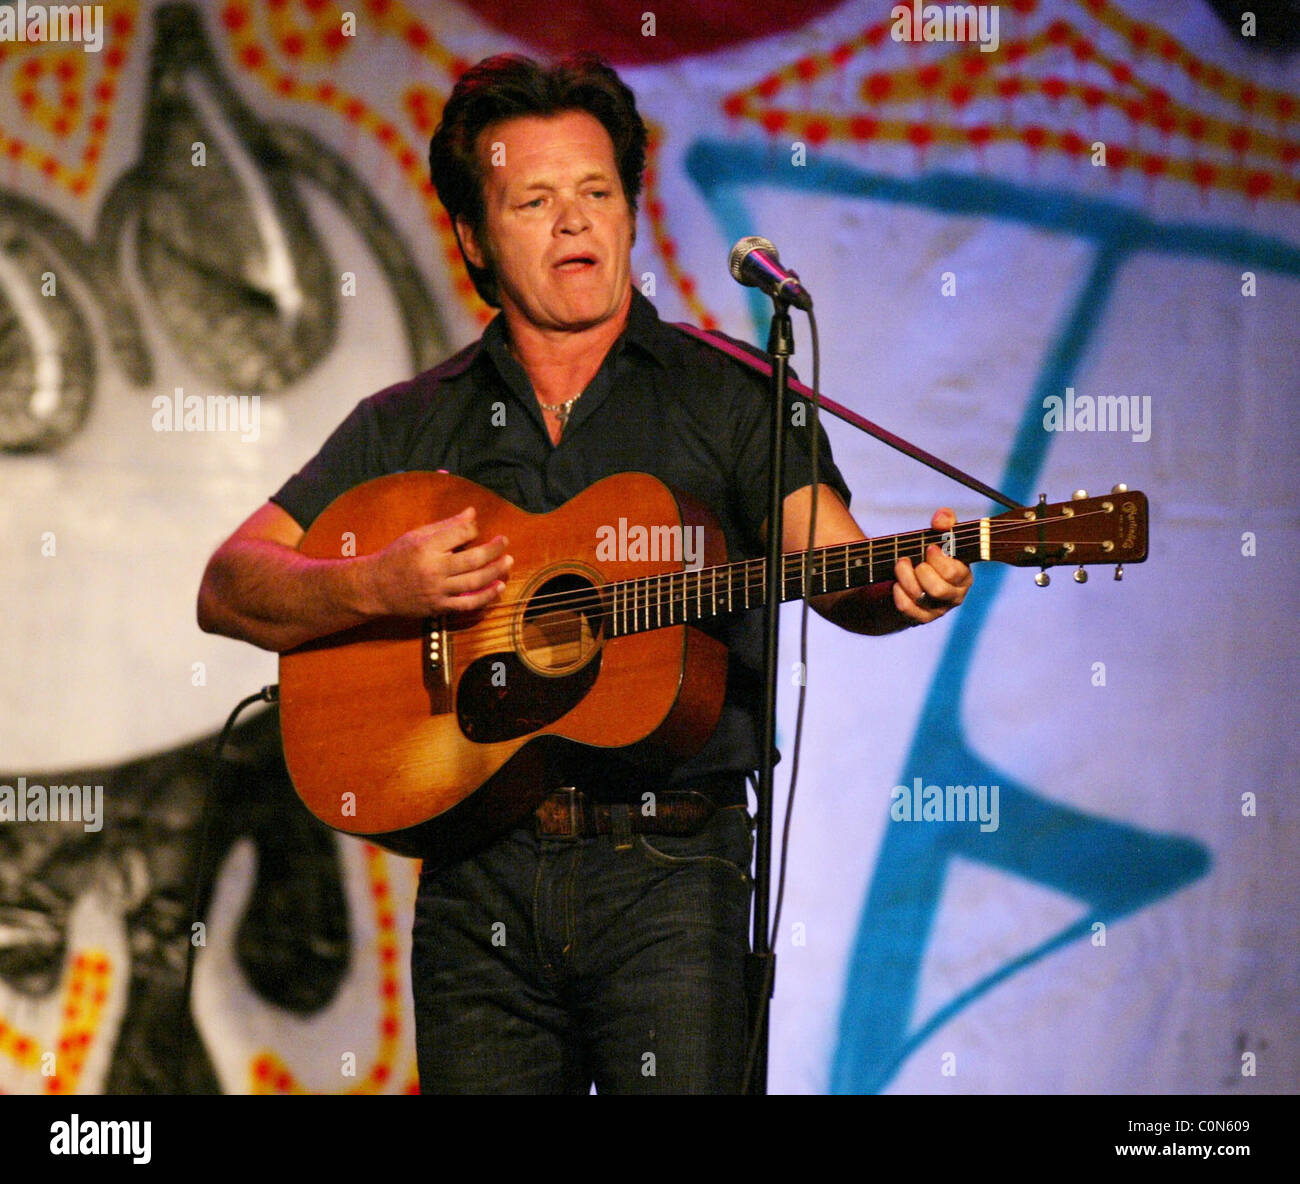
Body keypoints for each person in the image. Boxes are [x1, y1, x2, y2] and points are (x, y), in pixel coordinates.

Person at [197, 52, 972, 1094]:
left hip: (676, 878)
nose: (574, 222)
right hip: (477, 884)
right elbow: (230, 583)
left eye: (597, 193)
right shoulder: (410, 421)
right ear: (473, 235)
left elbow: (830, 559)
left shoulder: (730, 393)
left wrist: (897, 586)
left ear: (631, 214)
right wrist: (376, 585)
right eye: (535, 199)